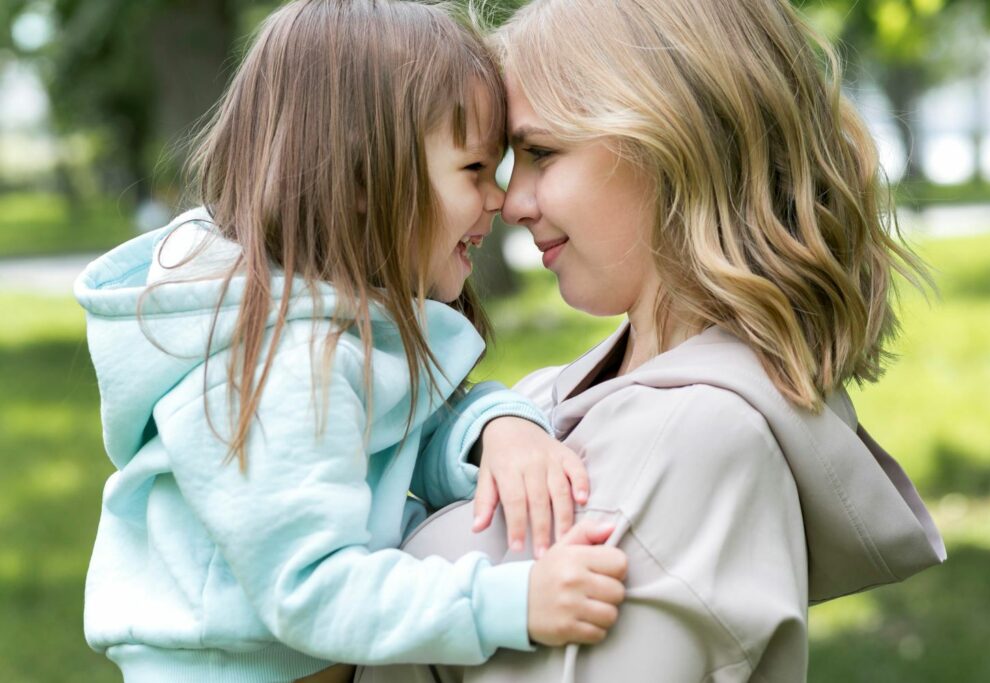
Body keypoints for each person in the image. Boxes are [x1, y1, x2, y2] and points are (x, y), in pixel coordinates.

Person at [354, 0, 946, 681]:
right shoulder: (543, 400)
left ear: (673, 143)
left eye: (541, 152)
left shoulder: (698, 438)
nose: (512, 201)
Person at [73, 1, 628, 681]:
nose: (499, 199)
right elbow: (309, 589)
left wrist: (495, 426)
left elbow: (394, 448)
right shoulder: (283, 367)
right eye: (475, 169)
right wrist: (511, 602)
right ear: (366, 177)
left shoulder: (336, 330)